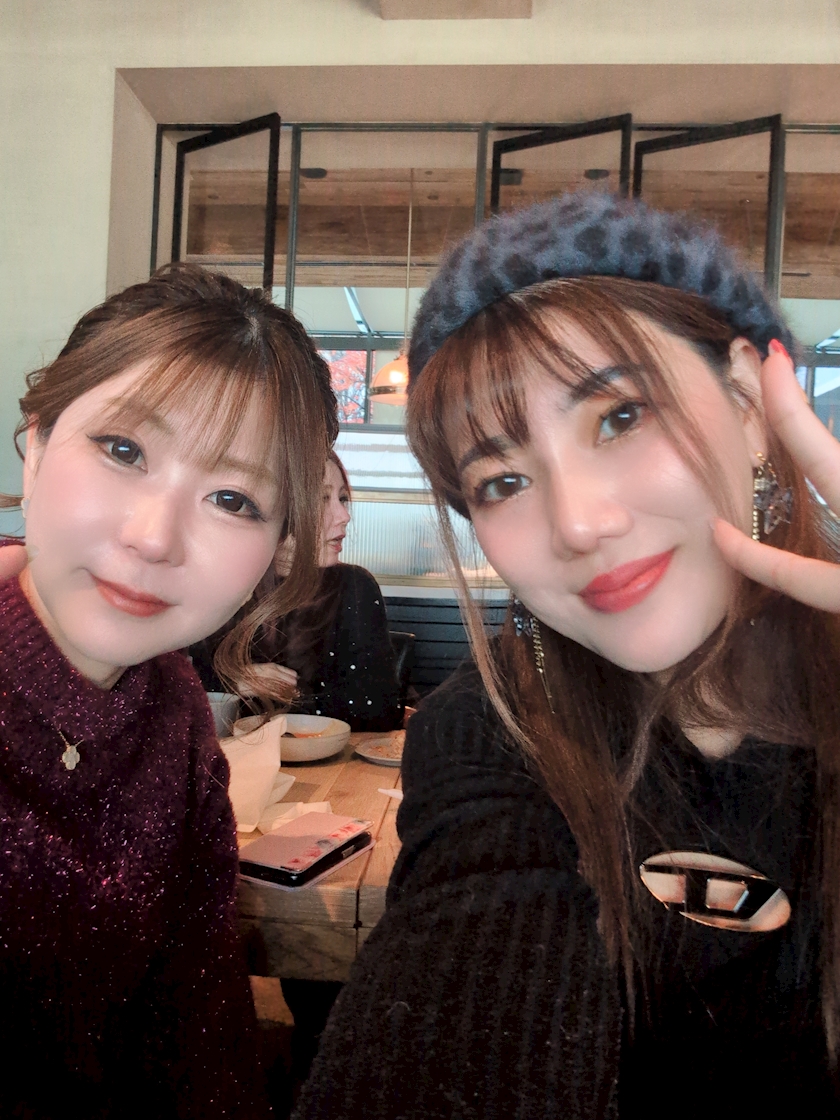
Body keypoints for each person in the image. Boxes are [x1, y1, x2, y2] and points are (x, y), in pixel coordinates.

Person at [294, 191, 840, 1118]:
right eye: (502, 479)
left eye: (621, 417)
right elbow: (471, 955)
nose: (579, 524)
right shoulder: (495, 729)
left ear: (751, 405)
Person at [0, 262, 337, 1118]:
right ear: (36, 445)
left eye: (233, 499)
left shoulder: (176, 715)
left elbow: (198, 1026)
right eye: (124, 451)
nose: (155, 538)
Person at [192, 451, 403, 732]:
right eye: (321, 499)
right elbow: (166, 696)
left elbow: (379, 711)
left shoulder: (353, 586)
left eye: (342, 499)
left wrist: (289, 694)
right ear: (272, 505)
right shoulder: (218, 583)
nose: (344, 516)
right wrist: (232, 684)